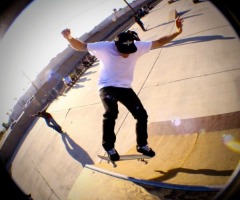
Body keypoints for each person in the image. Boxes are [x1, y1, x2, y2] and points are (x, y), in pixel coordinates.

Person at [61, 16, 183, 161]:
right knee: (111, 112)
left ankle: (142, 145)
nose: (127, 54)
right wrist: (69, 38)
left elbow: (159, 42)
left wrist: (178, 32)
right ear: (115, 46)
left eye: (129, 51)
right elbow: (81, 46)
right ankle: (109, 147)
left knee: (142, 115)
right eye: (123, 51)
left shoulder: (138, 46)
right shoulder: (104, 47)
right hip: (107, 86)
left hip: (125, 87)